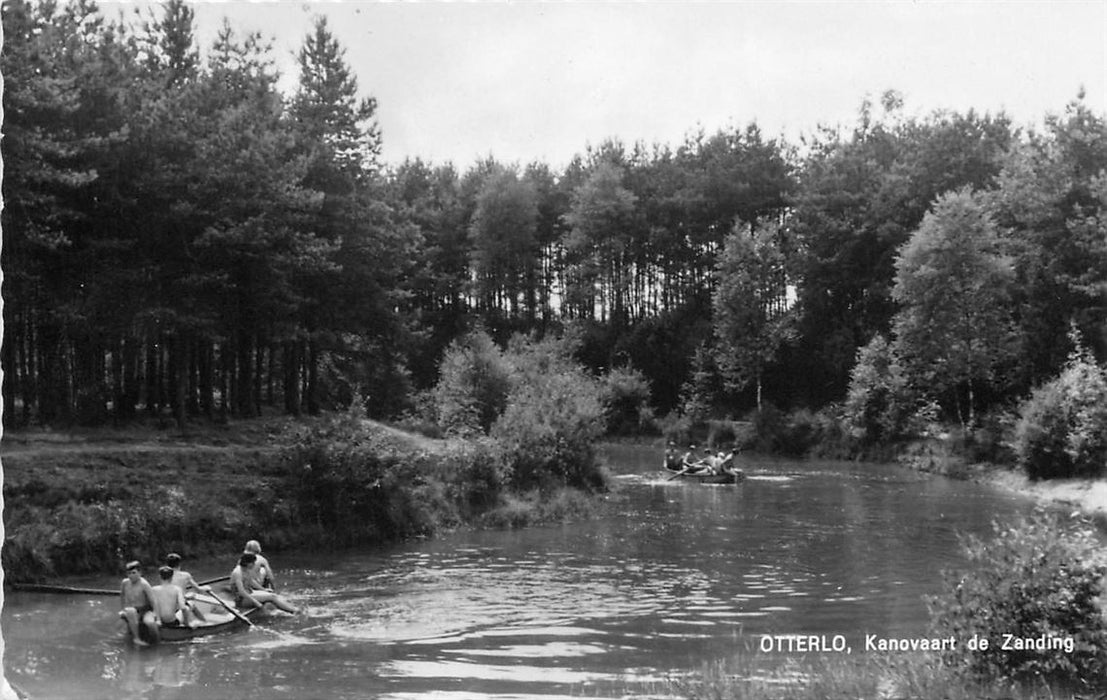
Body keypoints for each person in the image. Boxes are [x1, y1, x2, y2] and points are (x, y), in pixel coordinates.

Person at [231, 552, 299, 614]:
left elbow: (252, 582)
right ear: (246, 563)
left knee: (272, 594)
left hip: (249, 593)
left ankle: (291, 608)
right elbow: (241, 591)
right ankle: (293, 611)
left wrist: (263, 589)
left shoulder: (246, 570)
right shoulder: (237, 572)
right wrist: (255, 601)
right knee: (272, 597)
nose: (254, 564)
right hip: (242, 600)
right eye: (253, 563)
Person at [119, 560, 159, 646]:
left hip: (145, 609)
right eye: (129, 573)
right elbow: (122, 595)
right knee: (130, 611)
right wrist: (122, 609)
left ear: (140, 573)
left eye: (134, 573)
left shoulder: (144, 584)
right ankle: (137, 638)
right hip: (132, 610)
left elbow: (153, 600)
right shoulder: (125, 583)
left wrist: (156, 615)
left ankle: (156, 643)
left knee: (150, 623)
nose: (131, 576)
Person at [166, 552, 212, 620]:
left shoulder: (164, 576)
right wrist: (206, 588)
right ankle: (205, 622)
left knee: (189, 597)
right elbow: (198, 590)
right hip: (179, 605)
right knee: (192, 604)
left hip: (167, 605)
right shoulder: (186, 575)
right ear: (179, 564)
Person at [151, 565, 196, 631]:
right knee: (189, 606)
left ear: (159, 577)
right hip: (172, 622)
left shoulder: (153, 589)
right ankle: (188, 624)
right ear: (172, 577)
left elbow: (154, 605)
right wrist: (187, 623)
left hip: (160, 622)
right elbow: (183, 608)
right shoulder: (177, 589)